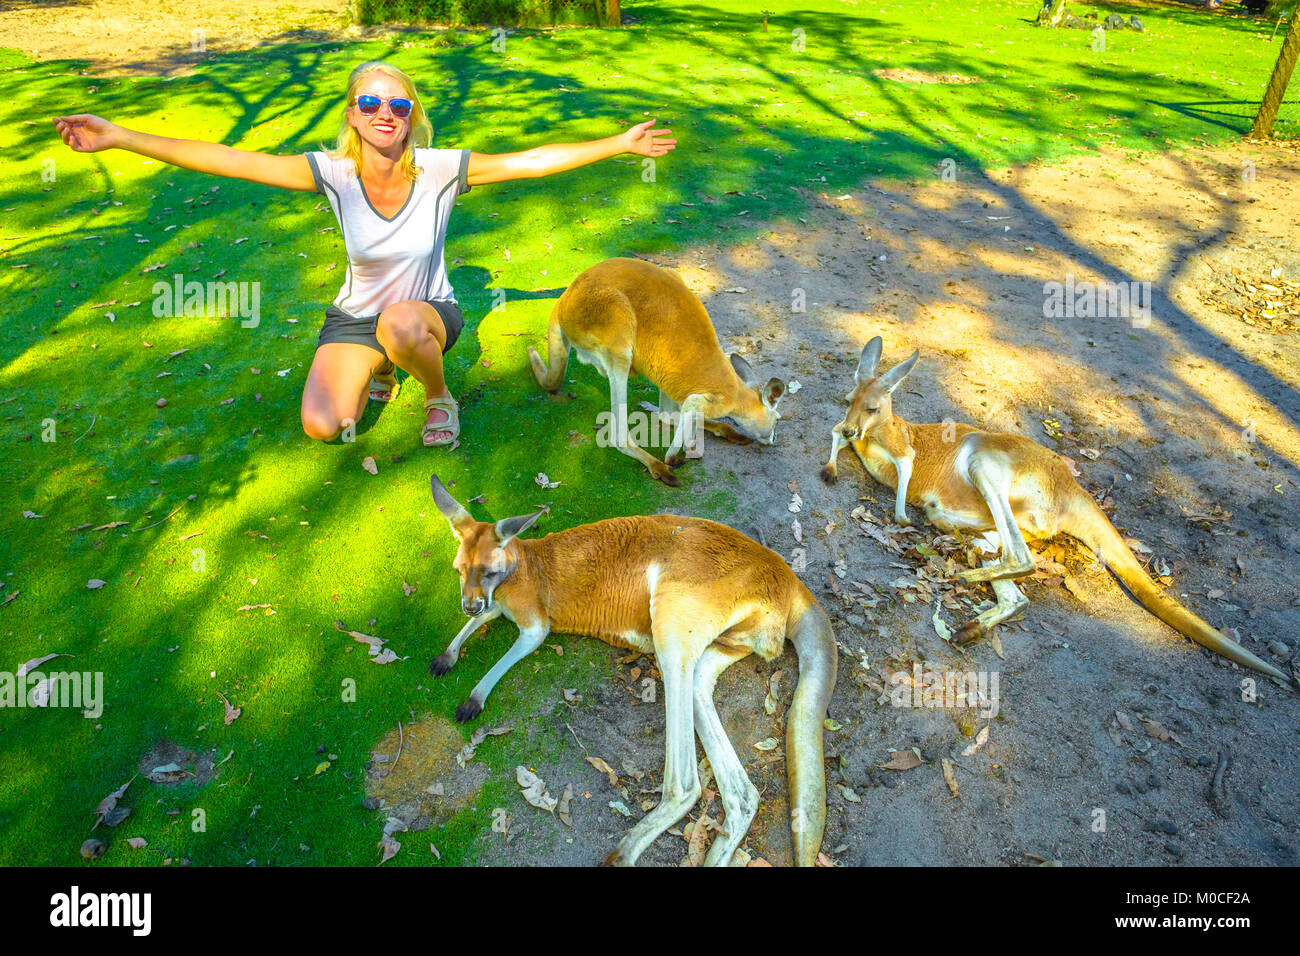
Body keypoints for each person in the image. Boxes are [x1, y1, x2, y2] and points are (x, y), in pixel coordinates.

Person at [54, 59, 676, 447]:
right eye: (371, 104)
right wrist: (122, 137)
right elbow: (229, 159)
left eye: (398, 105)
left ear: (410, 118)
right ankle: (382, 366)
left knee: (402, 323)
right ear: (352, 115)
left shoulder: (439, 169)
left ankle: (437, 395)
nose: (385, 113)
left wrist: (616, 143)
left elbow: (531, 162)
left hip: (426, 310)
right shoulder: (333, 172)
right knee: (324, 426)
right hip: (357, 318)